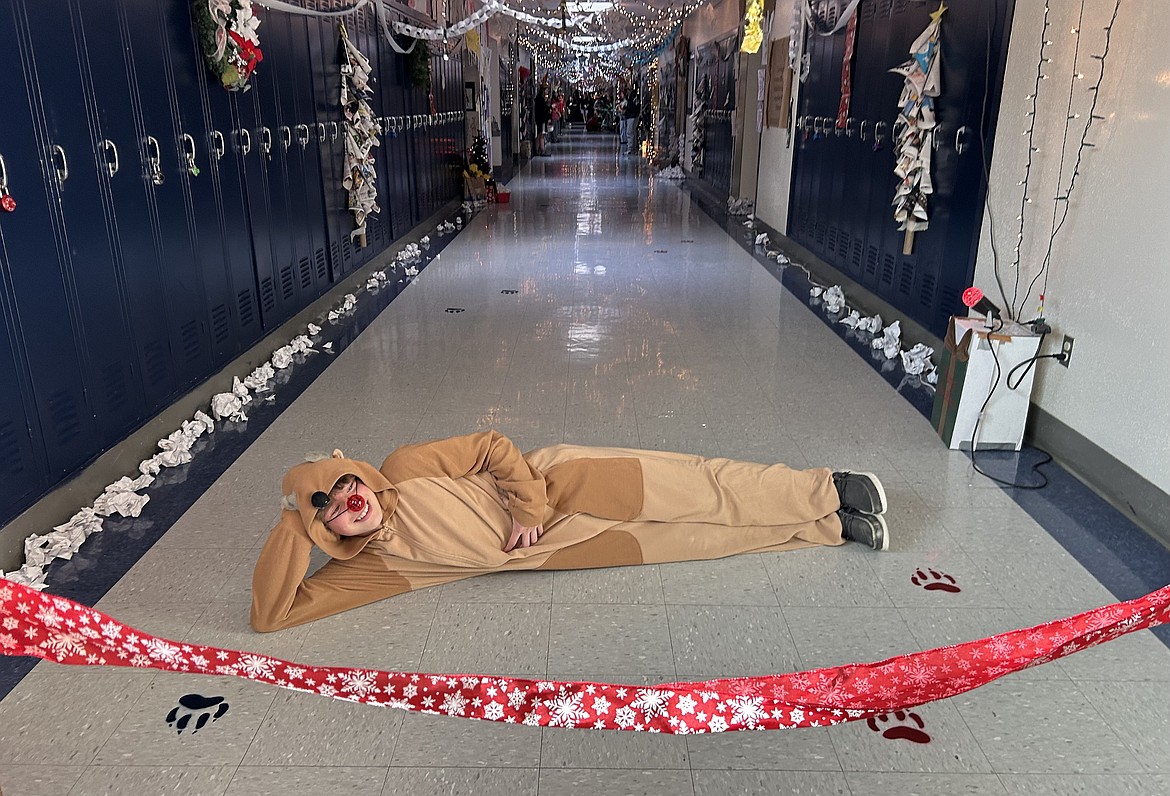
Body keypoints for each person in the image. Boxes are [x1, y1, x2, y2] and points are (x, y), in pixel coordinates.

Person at [251, 432, 889, 632]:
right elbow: (273, 616)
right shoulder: (373, 569)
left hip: (564, 488)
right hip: (570, 549)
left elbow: (495, 446)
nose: (347, 500)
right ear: (323, 531)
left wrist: (526, 510)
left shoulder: (403, 470)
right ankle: (831, 527)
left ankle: (826, 489)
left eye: (342, 484)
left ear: (355, 472)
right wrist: (290, 526)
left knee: (705, 489)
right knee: (705, 536)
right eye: (327, 509)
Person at [621, 86, 641, 155]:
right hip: (634, 115)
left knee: (629, 132)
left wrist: (625, 108)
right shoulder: (634, 96)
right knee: (633, 132)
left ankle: (630, 148)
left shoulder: (632, 97)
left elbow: (632, 107)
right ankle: (633, 148)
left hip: (632, 116)